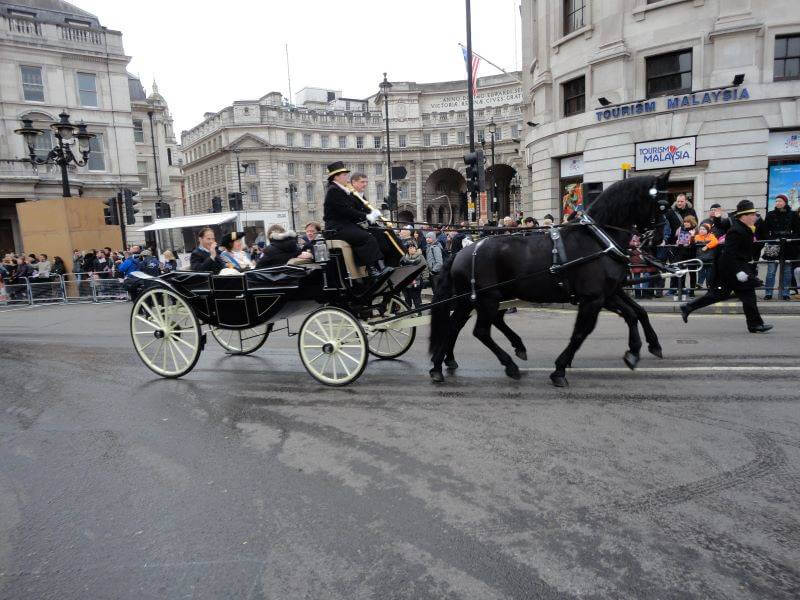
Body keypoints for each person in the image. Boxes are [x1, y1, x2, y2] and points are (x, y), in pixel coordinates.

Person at [680, 199, 772, 333]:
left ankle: (688, 307)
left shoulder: (746, 228)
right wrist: (738, 272)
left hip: (738, 266)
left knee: (729, 295)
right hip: (730, 269)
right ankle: (755, 324)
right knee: (738, 295)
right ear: (743, 216)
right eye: (752, 214)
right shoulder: (736, 231)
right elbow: (728, 254)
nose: (754, 217)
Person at [322, 161, 389, 278]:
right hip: (336, 228)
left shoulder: (341, 190)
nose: (347, 177)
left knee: (375, 233)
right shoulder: (334, 190)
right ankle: (372, 269)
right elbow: (346, 210)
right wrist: (366, 216)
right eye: (344, 175)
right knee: (366, 237)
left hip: (345, 225)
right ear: (336, 177)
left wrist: (369, 216)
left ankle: (382, 265)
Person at [763, 194, 800, 300]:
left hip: (788, 244)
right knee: (771, 270)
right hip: (773, 243)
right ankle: (768, 292)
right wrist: (770, 239)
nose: (777, 203)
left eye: (780, 201)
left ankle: (786, 293)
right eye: (776, 201)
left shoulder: (793, 214)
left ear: (785, 202)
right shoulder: (770, 214)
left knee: (787, 271)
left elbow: (797, 230)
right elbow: (765, 230)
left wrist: (791, 239)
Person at [693, 221, 719, 289]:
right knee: (700, 271)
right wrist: (692, 236)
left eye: (704, 229)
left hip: (709, 257)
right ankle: (700, 283)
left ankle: (709, 285)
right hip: (700, 257)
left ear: (708, 230)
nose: (701, 231)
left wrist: (707, 246)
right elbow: (693, 242)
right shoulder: (697, 236)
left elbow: (715, 241)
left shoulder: (711, 235)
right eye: (700, 229)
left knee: (709, 273)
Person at [400, 242, 425, 311]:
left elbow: (424, 267)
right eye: (410, 248)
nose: (412, 249)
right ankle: (409, 312)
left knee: (416, 297)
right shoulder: (404, 257)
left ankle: (419, 312)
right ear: (407, 249)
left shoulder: (420, 257)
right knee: (407, 298)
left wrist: (425, 278)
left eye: (413, 247)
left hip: (416, 280)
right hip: (406, 281)